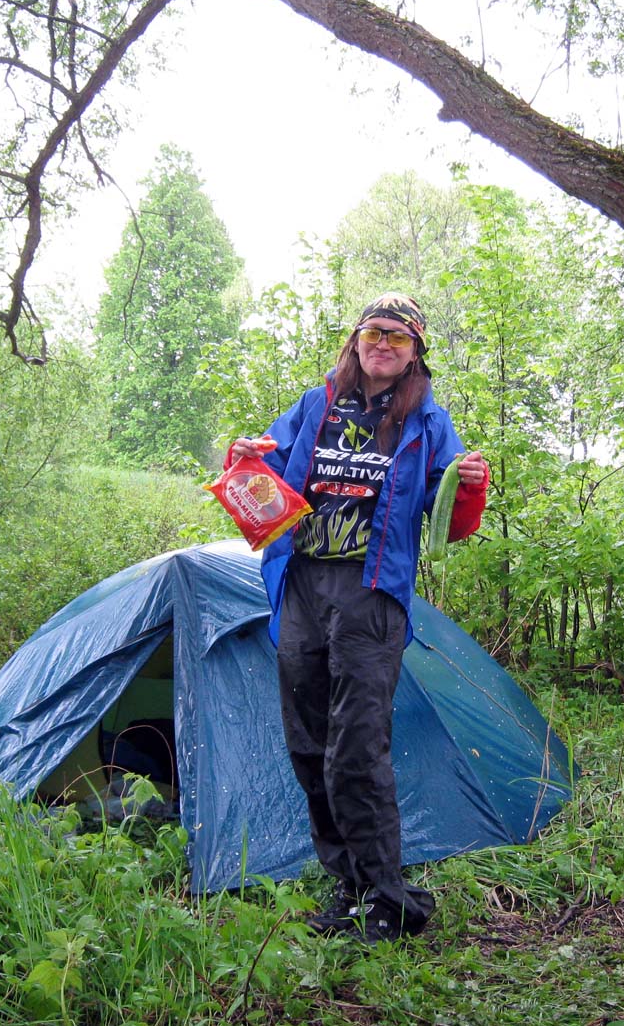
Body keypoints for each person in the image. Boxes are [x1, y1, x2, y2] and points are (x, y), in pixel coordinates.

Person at [226, 292, 488, 944]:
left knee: (357, 746)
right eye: (374, 332)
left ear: (414, 352)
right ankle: (349, 886)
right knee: (308, 741)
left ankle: (388, 899)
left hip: (371, 594)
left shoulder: (427, 421)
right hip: (303, 584)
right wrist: (243, 455)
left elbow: (451, 521)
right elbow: (262, 472)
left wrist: (470, 483)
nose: (384, 344)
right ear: (356, 339)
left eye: (399, 337)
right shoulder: (315, 405)